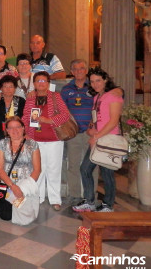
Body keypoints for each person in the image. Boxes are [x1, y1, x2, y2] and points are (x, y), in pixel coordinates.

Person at [72, 67, 123, 213]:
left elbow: (113, 121)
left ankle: (108, 205)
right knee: (85, 169)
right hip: (98, 138)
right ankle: (89, 201)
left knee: (107, 173)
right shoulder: (96, 97)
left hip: (108, 139)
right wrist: (90, 129)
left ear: (105, 80)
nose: (95, 84)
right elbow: (95, 118)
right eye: (92, 81)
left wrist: (96, 136)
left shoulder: (113, 95)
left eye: (98, 81)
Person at [22, 71, 71, 211]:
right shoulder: (31, 98)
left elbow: (65, 114)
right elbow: (26, 117)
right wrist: (27, 133)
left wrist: (48, 120)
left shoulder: (55, 96)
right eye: (38, 81)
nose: (41, 83)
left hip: (54, 139)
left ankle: (55, 199)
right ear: (34, 84)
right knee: (38, 169)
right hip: (35, 139)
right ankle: (38, 197)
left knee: (54, 169)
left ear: (48, 84)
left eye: (44, 81)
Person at [60, 59, 99, 204]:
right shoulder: (66, 90)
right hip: (73, 134)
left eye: (81, 68)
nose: (78, 71)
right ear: (71, 72)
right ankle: (75, 194)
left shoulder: (94, 87)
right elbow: (62, 111)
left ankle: (91, 194)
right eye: (75, 69)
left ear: (86, 70)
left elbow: (100, 108)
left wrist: (94, 124)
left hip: (91, 133)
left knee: (92, 165)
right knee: (73, 164)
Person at [0, 116, 41, 224]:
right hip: (8, 184)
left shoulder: (32, 144)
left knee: (24, 219)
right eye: (10, 128)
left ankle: (24, 199)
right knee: (5, 216)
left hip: (25, 183)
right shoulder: (2, 143)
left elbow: (37, 169)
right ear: (6, 130)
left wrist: (23, 188)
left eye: (18, 127)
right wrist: (13, 186)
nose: (14, 130)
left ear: (23, 128)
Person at [0, 75, 26, 139]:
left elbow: (25, 119)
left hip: (17, 135)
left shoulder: (21, 101)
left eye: (11, 86)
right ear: (1, 88)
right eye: (5, 86)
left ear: (15, 88)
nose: (8, 89)